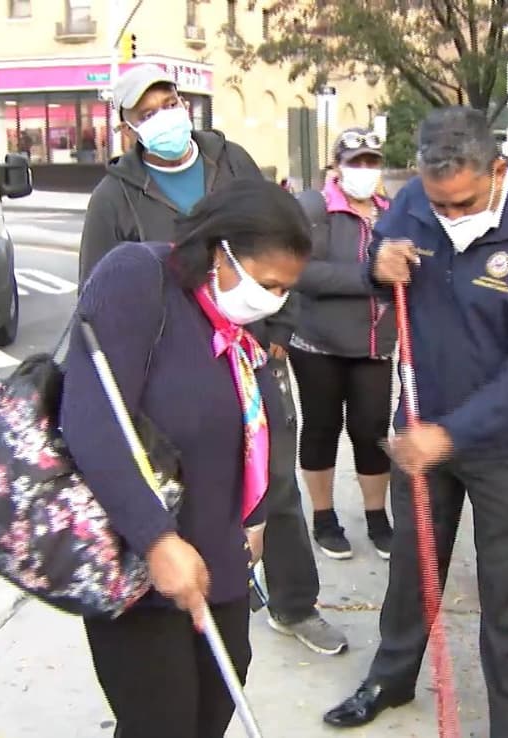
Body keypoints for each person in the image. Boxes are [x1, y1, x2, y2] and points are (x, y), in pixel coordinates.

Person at [322, 107, 508, 737]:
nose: (447, 215)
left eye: (462, 203)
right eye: (438, 203)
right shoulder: (416, 201)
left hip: (506, 440)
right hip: (422, 418)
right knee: (413, 565)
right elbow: (383, 262)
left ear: (497, 170)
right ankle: (391, 678)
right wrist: (377, 265)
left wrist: (452, 434)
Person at [79, 64, 349, 656]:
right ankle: (202, 585)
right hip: (173, 368)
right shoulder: (114, 197)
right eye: (147, 113)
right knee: (191, 485)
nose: (163, 118)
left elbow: (281, 244)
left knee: (274, 480)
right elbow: (95, 302)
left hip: (250, 350)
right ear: (128, 127)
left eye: (168, 103)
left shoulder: (231, 162)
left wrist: (277, 327)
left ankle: (294, 603)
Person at [60, 178, 313, 737]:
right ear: (221, 252)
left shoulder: (230, 317)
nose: (273, 300)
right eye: (268, 284)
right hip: (138, 565)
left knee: (213, 710)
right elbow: (91, 420)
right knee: (163, 722)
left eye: (284, 290)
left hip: (218, 561)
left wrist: (255, 517)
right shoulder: (136, 277)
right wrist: (157, 540)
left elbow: (243, 427)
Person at [290, 128, 396, 560]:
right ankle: (323, 516)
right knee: (321, 427)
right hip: (318, 343)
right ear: (336, 166)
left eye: (372, 162)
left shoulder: (391, 213)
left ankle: (377, 516)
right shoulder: (314, 209)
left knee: (372, 430)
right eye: (356, 162)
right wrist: (371, 277)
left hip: (374, 344)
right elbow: (301, 271)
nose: (365, 170)